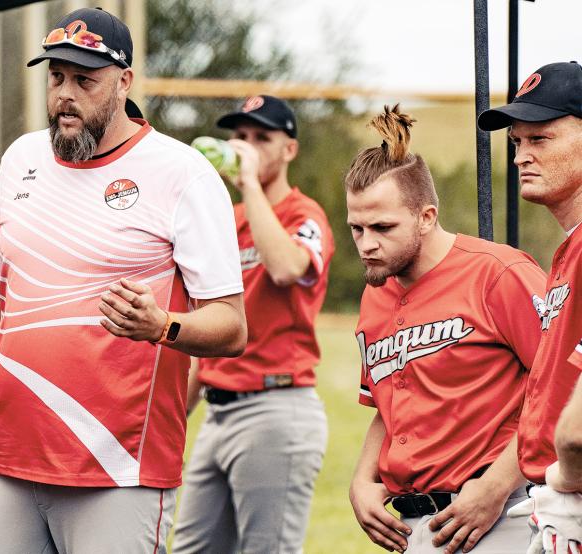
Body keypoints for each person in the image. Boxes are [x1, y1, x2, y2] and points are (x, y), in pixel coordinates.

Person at [0, 8, 246, 553]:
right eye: (56, 78)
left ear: (124, 82)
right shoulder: (21, 157)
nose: (64, 94)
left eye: (84, 80)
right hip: (10, 462)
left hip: (117, 471)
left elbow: (232, 327)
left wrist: (162, 326)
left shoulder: (182, 173)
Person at [346, 106, 546, 554]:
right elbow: (388, 405)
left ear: (426, 216)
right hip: (415, 526)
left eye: (382, 227)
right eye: (356, 228)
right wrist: (362, 480)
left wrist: (496, 487)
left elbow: (561, 387)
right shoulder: (375, 293)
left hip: (502, 515)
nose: (367, 243)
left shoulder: (498, 274)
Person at [173, 95, 332, 553]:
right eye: (240, 137)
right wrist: (176, 417)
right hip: (218, 412)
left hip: (275, 407)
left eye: (263, 137)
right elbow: (213, 326)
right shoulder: (231, 219)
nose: (248, 146)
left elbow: (286, 267)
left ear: (290, 150)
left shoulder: (304, 214)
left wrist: (250, 187)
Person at [478, 60, 582, 553]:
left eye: (540, 139)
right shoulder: (569, 249)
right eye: (518, 142)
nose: (521, 155)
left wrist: (566, 484)